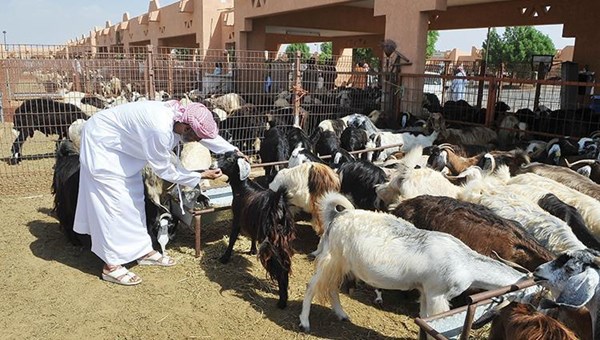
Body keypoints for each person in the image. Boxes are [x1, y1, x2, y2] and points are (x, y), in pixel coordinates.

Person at [73, 100, 239, 286]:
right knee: (113, 203)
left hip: (122, 147)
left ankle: (141, 251)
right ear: (185, 128)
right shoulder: (159, 129)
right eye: (196, 138)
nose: (198, 142)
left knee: (134, 197)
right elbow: (165, 170)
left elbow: (207, 136)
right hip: (102, 144)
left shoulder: (180, 118)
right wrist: (201, 174)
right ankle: (111, 265)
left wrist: (234, 151)